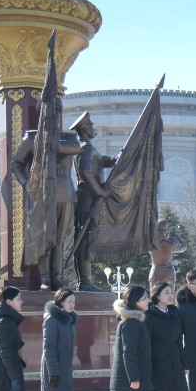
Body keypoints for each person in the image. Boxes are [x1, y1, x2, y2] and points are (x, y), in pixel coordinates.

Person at [11, 98, 82, 290]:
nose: (54, 117)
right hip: (42, 195)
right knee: (42, 237)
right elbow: (16, 163)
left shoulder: (69, 138)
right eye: (49, 113)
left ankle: (56, 278)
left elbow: (73, 148)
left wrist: (48, 140)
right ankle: (44, 279)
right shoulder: (32, 138)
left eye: (57, 113)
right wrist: (26, 184)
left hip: (65, 195)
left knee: (58, 240)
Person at [71, 112, 117, 292]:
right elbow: (85, 173)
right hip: (87, 199)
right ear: (84, 128)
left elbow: (98, 162)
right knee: (84, 240)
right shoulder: (84, 148)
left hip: (89, 198)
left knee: (87, 240)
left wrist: (114, 160)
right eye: (90, 125)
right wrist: (100, 191)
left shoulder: (89, 148)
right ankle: (84, 282)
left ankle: (86, 281)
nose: (93, 127)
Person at [140, 282, 191, 391]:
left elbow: (179, 340)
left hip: (175, 364)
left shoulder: (174, 313)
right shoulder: (150, 316)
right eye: (166, 293)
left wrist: (183, 364)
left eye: (171, 292)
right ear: (157, 296)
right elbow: (146, 344)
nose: (170, 296)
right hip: (158, 366)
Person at [110, 285, 158, 391]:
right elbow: (128, 353)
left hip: (133, 377)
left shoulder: (134, 321)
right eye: (143, 298)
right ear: (134, 301)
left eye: (147, 297)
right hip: (134, 378)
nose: (148, 301)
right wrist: (134, 378)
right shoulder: (131, 323)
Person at [39, 288, 82, 391]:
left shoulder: (68, 320)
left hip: (64, 368)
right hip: (54, 368)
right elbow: (48, 347)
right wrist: (52, 372)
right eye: (69, 302)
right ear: (60, 301)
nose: (72, 305)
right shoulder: (51, 320)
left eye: (74, 302)